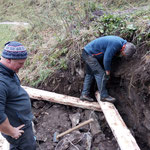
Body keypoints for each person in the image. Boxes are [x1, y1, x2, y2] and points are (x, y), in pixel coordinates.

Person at [0, 41, 36, 149]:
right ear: (8, 60)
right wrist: (12, 132)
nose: (22, 66)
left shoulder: (9, 72)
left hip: (22, 123)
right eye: (20, 63)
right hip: (17, 128)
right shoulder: (1, 82)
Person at [80, 35, 136, 103]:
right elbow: (106, 59)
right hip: (90, 55)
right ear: (124, 48)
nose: (123, 54)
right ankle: (104, 96)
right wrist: (107, 71)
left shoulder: (119, 42)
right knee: (101, 74)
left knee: (90, 74)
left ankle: (84, 94)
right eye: (124, 54)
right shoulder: (116, 44)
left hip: (87, 53)